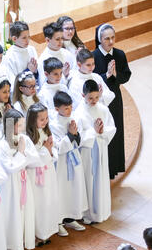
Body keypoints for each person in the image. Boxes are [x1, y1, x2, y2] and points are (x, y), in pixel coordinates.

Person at [92, 23, 132, 179]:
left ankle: (114, 167)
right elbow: (91, 79)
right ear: (100, 39)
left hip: (115, 99)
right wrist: (106, 76)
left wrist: (116, 75)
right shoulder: (93, 56)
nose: (110, 42)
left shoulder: (120, 55)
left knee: (116, 130)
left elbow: (126, 75)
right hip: (99, 100)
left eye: (112, 38)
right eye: (106, 38)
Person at [0, 109, 38, 250]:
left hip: (22, 180)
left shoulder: (23, 138)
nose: (21, 129)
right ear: (10, 125)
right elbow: (10, 166)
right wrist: (21, 154)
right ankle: (11, 245)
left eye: (22, 125)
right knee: (12, 211)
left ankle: (20, 243)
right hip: (10, 184)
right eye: (19, 125)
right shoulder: (3, 143)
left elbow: (35, 157)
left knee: (23, 211)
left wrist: (23, 156)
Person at [75, 80, 116, 224]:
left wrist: (102, 131)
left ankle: (102, 211)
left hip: (101, 149)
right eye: (90, 98)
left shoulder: (103, 109)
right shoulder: (79, 112)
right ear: (83, 95)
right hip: (88, 152)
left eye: (96, 97)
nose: (94, 101)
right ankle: (89, 214)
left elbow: (112, 127)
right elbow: (78, 136)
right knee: (90, 181)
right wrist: (94, 132)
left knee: (101, 180)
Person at [50, 91, 88, 237]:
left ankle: (70, 217)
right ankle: (59, 222)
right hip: (62, 163)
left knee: (73, 189)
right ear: (56, 109)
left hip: (74, 158)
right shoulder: (53, 124)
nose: (69, 110)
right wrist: (71, 135)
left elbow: (80, 140)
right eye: (66, 108)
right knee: (62, 191)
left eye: (71, 107)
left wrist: (76, 135)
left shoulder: (74, 119)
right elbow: (58, 146)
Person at [26, 103, 61, 246]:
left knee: (49, 201)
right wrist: (46, 149)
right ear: (32, 120)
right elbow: (32, 159)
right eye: (42, 119)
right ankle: (37, 233)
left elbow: (53, 152)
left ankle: (46, 232)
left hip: (48, 172)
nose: (45, 121)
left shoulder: (46, 132)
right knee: (39, 204)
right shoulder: (28, 138)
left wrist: (50, 150)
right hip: (36, 175)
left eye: (46, 118)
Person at [37, 22, 76, 87]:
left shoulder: (67, 53)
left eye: (62, 38)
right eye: (57, 39)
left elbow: (76, 72)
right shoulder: (43, 60)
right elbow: (44, 85)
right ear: (47, 40)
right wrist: (63, 75)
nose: (61, 42)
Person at [3, 21, 38, 87]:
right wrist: (28, 71)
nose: (28, 41)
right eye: (24, 38)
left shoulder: (31, 49)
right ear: (14, 39)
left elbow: (37, 71)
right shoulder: (9, 56)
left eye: (28, 37)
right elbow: (12, 82)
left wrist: (35, 70)